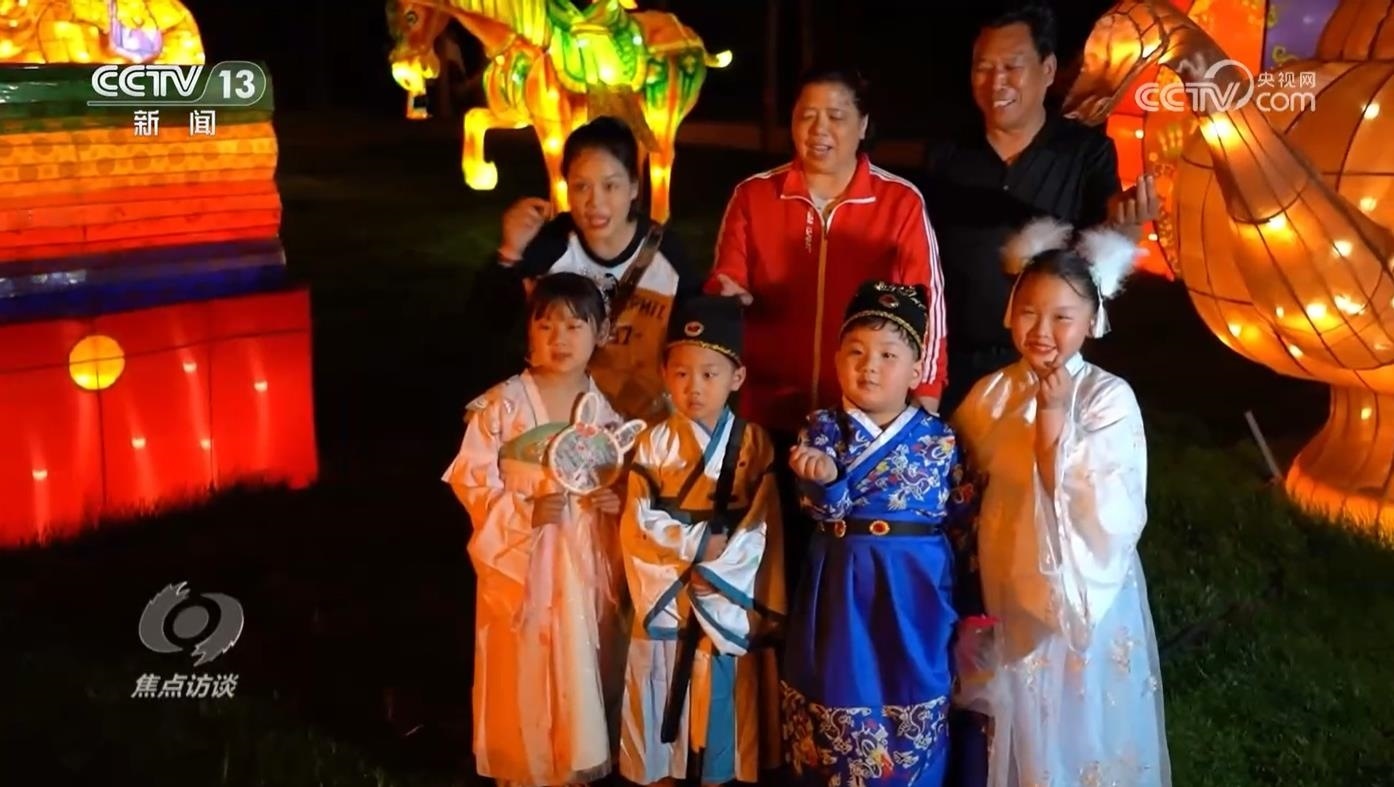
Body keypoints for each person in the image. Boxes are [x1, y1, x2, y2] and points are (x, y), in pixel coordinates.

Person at [706, 64, 948, 595]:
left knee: (849, 566)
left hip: (862, 421)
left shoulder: (898, 202)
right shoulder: (755, 195)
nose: (819, 130)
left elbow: (928, 306)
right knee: (769, 562)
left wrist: (923, 400)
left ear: (863, 125)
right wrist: (728, 296)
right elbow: (724, 284)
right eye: (806, 116)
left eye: (836, 116)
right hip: (768, 411)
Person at [950, 217, 1171, 786]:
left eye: (1062, 317)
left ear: (1092, 321)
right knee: (1015, 708)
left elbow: (1108, 505)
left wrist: (1053, 420)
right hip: (1005, 570)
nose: (1042, 330)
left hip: (1077, 587)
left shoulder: (1106, 397)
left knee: (1077, 708)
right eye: (1029, 312)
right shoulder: (993, 392)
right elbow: (959, 473)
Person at [920, 2, 1158, 415]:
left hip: (1048, 370)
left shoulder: (1085, 152)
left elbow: (1104, 255)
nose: (996, 81)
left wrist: (1128, 223)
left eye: (1011, 66)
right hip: (957, 368)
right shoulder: (947, 155)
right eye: (983, 67)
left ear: (1047, 70)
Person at [781, 280, 973, 787]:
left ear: (916, 369)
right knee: (839, 684)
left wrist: (967, 595)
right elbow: (821, 509)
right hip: (843, 581)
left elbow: (961, 516)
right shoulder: (822, 429)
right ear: (837, 358)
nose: (870, 366)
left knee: (916, 681)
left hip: (916, 585)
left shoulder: (940, 438)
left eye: (888, 355)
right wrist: (824, 479)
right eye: (857, 352)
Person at [442, 272, 628, 787]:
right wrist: (522, 511)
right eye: (546, 326)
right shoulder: (503, 405)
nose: (559, 339)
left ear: (601, 333)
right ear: (528, 332)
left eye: (574, 326)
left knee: (580, 645)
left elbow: (617, 475)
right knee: (523, 647)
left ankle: (576, 756)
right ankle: (526, 762)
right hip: (523, 553)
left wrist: (612, 502)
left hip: (580, 548)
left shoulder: (602, 410)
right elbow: (472, 479)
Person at [618, 294, 786, 787]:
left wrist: (720, 572)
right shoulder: (653, 442)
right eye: (682, 373)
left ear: (737, 377)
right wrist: (694, 547)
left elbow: (762, 523)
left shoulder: (753, 442)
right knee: (661, 684)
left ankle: (719, 774)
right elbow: (638, 520)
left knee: (720, 694)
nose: (694, 387)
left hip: (728, 589)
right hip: (668, 588)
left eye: (710, 374)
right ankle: (661, 775)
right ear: (664, 374)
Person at [470, 115, 702, 424]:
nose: (595, 202)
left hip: (643, 423)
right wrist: (510, 251)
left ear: (634, 187)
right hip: (560, 420)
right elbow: (489, 322)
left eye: (610, 185)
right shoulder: (551, 247)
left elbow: (697, 340)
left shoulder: (667, 255)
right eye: (581, 186)